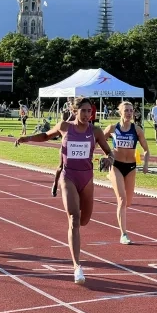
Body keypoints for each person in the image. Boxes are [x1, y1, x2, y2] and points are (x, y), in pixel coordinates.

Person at [15, 97, 114, 285]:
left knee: (84, 220)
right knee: (74, 219)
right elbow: (45, 135)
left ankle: (77, 254)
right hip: (68, 176)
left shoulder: (96, 131)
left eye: (89, 111)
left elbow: (110, 152)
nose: (87, 115)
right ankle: (77, 266)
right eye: (83, 111)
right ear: (75, 111)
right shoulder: (65, 127)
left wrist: (109, 159)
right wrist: (26, 138)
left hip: (87, 179)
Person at [103, 101, 150, 245]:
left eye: (131, 110)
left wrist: (146, 164)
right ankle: (124, 234)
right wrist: (107, 156)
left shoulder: (137, 130)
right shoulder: (112, 128)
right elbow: (99, 140)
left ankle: (112, 178)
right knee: (122, 200)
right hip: (116, 165)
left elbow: (147, 150)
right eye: (126, 110)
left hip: (131, 167)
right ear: (120, 112)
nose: (129, 113)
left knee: (128, 202)